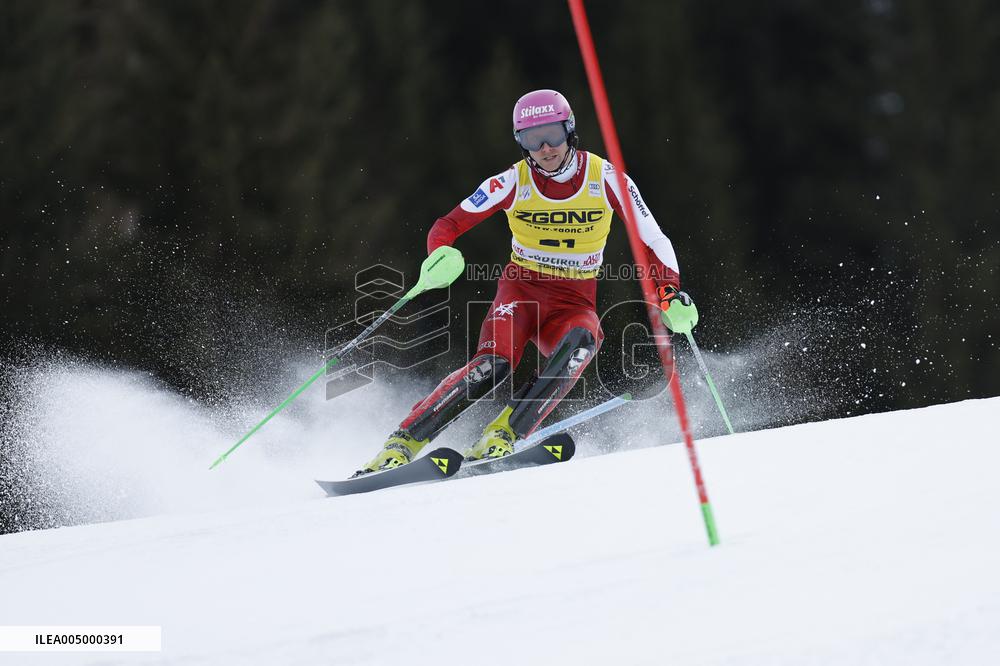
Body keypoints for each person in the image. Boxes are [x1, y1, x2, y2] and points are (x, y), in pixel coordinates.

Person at [354, 89, 694, 476]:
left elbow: (654, 239)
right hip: (521, 292)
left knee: (584, 340)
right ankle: (401, 443)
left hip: (573, 300)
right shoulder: (512, 182)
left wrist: (669, 290)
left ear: (570, 131)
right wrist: (439, 253)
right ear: (521, 143)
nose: (546, 147)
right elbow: (447, 225)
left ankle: (503, 434)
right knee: (492, 366)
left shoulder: (606, 177)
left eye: (552, 134)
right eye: (533, 139)